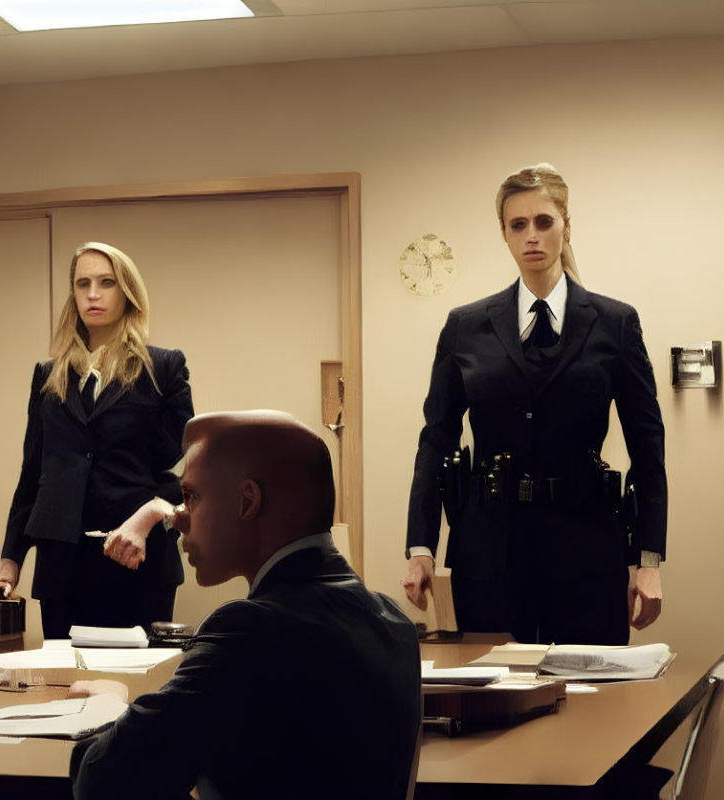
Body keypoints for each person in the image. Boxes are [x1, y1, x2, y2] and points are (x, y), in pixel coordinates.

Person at [68, 410, 422, 800]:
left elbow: (102, 782)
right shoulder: (395, 623)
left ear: (247, 501)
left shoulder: (248, 630)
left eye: (190, 497)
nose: (179, 520)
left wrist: (109, 705)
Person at [402, 163, 667, 645]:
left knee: (594, 704)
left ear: (566, 226)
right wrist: (422, 545)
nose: (532, 236)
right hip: (491, 550)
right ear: (504, 234)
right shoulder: (466, 327)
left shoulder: (615, 323)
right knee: (497, 702)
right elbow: (435, 438)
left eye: (544, 222)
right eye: (518, 225)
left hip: (587, 547)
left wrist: (647, 559)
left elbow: (647, 444)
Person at [0, 242, 194, 639]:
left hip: (137, 562)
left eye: (106, 282)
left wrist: (153, 516)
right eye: (82, 284)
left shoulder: (163, 367)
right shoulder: (49, 375)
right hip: (63, 567)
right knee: (66, 689)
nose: (92, 294)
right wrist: (11, 563)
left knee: (134, 690)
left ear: (127, 291)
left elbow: (189, 465)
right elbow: (33, 476)